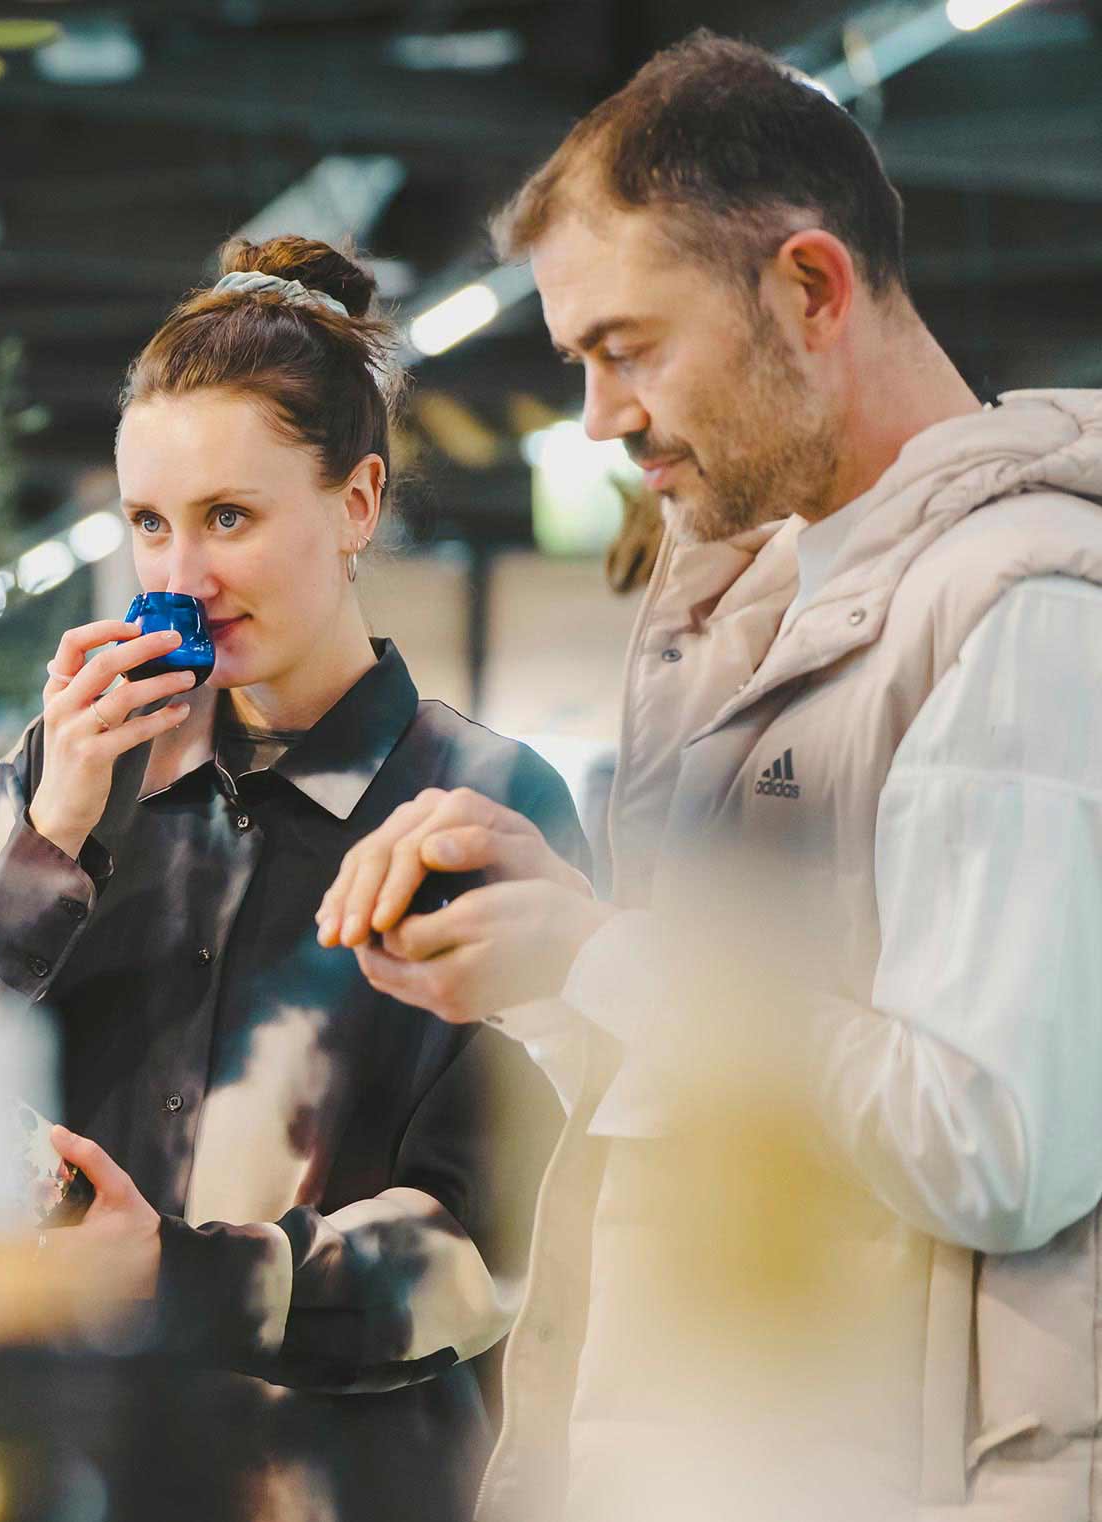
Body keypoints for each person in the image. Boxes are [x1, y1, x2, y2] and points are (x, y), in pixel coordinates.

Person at [319, 34, 1102, 1521]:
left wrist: (613, 955)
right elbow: (729, 1086)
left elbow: (994, 1142)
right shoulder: (767, 612)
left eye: (630, 346)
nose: (603, 415)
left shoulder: (1022, 618)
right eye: (582, 363)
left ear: (811, 289)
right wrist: (539, 955)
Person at [0, 236, 587, 1522]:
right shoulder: (65, 778)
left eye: (228, 518)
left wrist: (176, 1277)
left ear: (357, 503)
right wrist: (50, 838)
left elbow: (494, 1243)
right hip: (59, 1471)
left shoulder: (481, 808)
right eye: (148, 523)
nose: (180, 576)